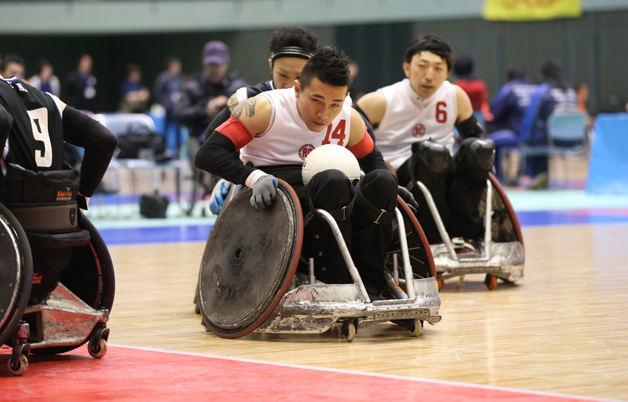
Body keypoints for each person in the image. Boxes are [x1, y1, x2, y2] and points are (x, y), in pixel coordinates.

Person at [195, 46, 416, 299]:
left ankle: (372, 284)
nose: (324, 114)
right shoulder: (265, 109)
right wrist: (252, 177)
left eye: (335, 103)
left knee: (383, 181)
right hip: (276, 192)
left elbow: (374, 160)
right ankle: (336, 282)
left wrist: (389, 190)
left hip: (334, 188)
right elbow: (208, 153)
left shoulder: (349, 118)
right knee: (334, 181)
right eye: (316, 101)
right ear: (298, 89)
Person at [0, 16, 117, 232]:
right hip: (60, 230)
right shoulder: (44, 96)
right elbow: (104, 139)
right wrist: (80, 201)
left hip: (5, 231)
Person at [356, 34, 494, 245]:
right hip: (401, 173)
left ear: (448, 72)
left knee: (480, 149)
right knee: (433, 155)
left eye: (438, 68)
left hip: (446, 167)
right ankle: (434, 240)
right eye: (422, 66)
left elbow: (476, 137)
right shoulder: (380, 100)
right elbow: (350, 135)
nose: (429, 75)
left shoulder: (455, 95)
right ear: (407, 68)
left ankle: (468, 235)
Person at [204, 25, 321, 139]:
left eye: (299, 77)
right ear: (271, 66)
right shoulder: (246, 99)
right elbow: (211, 144)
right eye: (283, 75)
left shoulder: (325, 104)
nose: (290, 86)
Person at [520, 60, 578, 189]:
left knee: (533, 138)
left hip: (551, 140)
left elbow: (531, 117)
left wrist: (525, 139)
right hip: (572, 141)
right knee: (543, 135)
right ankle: (542, 177)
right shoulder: (571, 90)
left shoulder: (543, 90)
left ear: (543, 75)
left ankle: (537, 176)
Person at [174, 41, 246, 143]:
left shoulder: (238, 87)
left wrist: (230, 102)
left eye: (217, 64)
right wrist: (205, 110)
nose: (214, 69)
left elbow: (254, 109)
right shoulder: (193, 88)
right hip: (202, 142)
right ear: (204, 64)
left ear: (226, 63)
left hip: (234, 143)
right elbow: (179, 115)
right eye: (211, 65)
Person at [488, 66, 537, 185]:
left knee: (490, 142)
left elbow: (495, 112)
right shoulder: (536, 88)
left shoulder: (508, 88)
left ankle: (498, 179)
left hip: (518, 135)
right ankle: (530, 174)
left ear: (508, 79)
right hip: (538, 136)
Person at [153, 56, 185, 146]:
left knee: (179, 129)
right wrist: (164, 103)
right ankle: (164, 148)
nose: (177, 68)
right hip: (167, 109)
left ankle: (179, 150)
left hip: (178, 109)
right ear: (170, 66)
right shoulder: (163, 78)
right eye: (175, 66)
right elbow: (157, 92)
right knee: (165, 129)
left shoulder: (180, 78)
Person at [452, 55, 491, 127]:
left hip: (457, 122)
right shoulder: (480, 85)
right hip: (477, 122)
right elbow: (484, 103)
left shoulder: (454, 86)